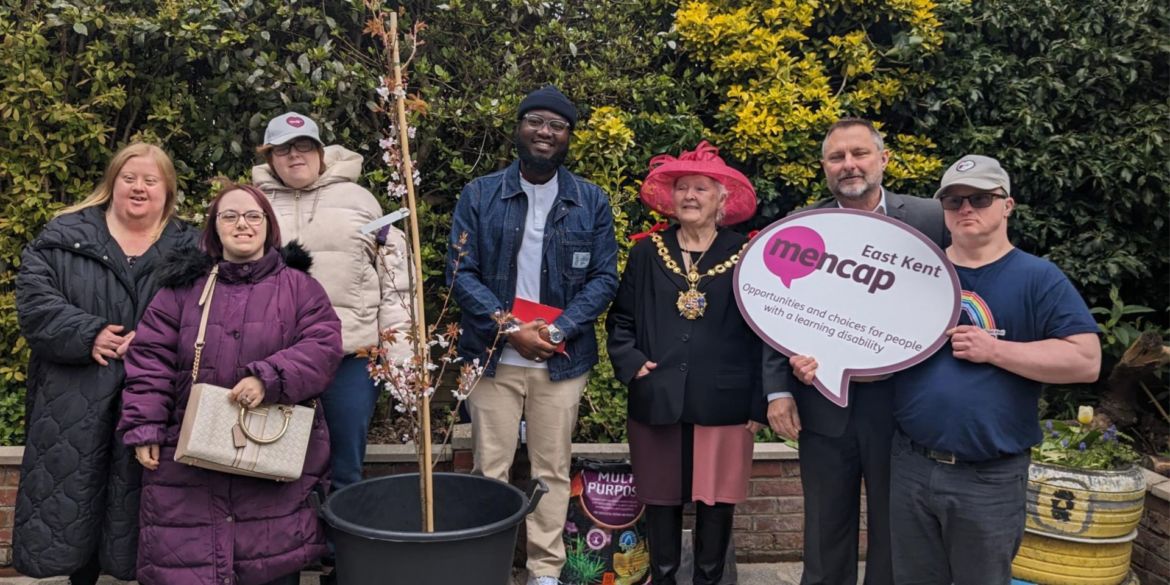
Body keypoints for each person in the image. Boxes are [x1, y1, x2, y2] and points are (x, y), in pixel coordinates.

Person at [885, 155, 1100, 583]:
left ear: (1007, 205)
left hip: (988, 477)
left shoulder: (1039, 278)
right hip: (911, 466)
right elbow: (875, 351)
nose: (966, 209)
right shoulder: (914, 274)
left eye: (980, 198)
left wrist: (995, 350)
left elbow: (1086, 360)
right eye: (954, 201)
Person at [118, 182, 343, 585]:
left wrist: (268, 377)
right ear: (214, 228)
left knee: (269, 567)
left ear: (268, 226)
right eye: (230, 216)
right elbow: (150, 361)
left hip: (270, 454)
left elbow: (323, 347)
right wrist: (145, 427)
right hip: (185, 459)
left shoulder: (300, 289)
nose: (243, 224)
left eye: (253, 215)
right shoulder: (180, 292)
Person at [762, 118, 948, 585]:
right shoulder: (799, 227)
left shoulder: (932, 219)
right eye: (836, 157)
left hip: (903, 405)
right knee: (824, 528)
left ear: (883, 160)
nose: (849, 165)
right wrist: (776, 391)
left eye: (859, 153)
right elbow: (773, 311)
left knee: (896, 528)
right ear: (824, 168)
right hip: (823, 403)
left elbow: (960, 297)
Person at [447, 85, 619, 585]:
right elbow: (460, 270)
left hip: (561, 363)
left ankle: (546, 572)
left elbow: (604, 278)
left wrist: (560, 328)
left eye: (557, 125)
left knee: (551, 470)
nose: (545, 132)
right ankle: (490, 568)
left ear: (568, 137)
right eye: (535, 121)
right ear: (518, 128)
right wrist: (509, 328)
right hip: (493, 359)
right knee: (489, 471)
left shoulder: (590, 200)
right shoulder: (480, 193)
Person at [13, 143, 197, 583]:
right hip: (73, 401)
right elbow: (34, 301)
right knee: (74, 507)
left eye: (150, 180)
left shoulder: (192, 246)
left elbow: (213, 310)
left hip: (156, 401)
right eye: (129, 178)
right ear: (111, 182)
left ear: (167, 190)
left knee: (147, 514)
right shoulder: (63, 234)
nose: (139, 188)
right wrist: (87, 332)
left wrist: (156, 341)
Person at [606, 141, 767, 585]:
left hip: (726, 403)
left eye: (701, 188)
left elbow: (765, 335)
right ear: (671, 198)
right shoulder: (645, 252)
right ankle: (663, 579)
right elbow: (620, 320)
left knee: (716, 505)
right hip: (657, 396)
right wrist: (633, 363)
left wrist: (758, 404)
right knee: (660, 501)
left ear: (723, 199)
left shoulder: (749, 255)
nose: (690, 196)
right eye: (682, 188)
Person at [252, 112, 412, 496]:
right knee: (273, 463)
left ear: (321, 152)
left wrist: (401, 355)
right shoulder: (252, 204)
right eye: (283, 149)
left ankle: (342, 553)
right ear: (270, 157)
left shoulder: (361, 202)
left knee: (344, 466)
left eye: (304, 145)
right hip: (277, 359)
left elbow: (396, 283)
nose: (295, 156)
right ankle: (289, 553)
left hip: (349, 358)